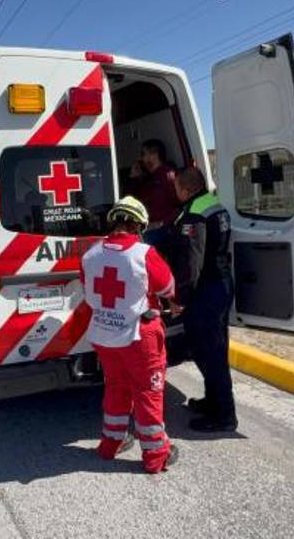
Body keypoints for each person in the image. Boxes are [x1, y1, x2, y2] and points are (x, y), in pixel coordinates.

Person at [81, 196, 179, 473]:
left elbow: (87, 285)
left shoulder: (91, 253)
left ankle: (111, 443)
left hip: (104, 334)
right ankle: (156, 454)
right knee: (148, 391)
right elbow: (168, 287)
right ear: (139, 225)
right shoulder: (144, 253)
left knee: (116, 387)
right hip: (138, 336)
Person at [168, 166, 237, 432]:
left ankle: (224, 416)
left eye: (176, 187)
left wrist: (180, 298)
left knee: (210, 354)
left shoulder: (194, 214)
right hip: (220, 285)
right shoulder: (212, 204)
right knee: (213, 350)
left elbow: (191, 262)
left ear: (185, 188)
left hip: (206, 290)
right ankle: (213, 402)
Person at [126, 139, 181, 242]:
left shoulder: (167, 175)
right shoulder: (147, 179)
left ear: (157, 155)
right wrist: (133, 178)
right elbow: (131, 200)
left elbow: (178, 205)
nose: (145, 159)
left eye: (149, 154)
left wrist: (163, 223)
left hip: (162, 229)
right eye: (143, 155)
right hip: (148, 226)